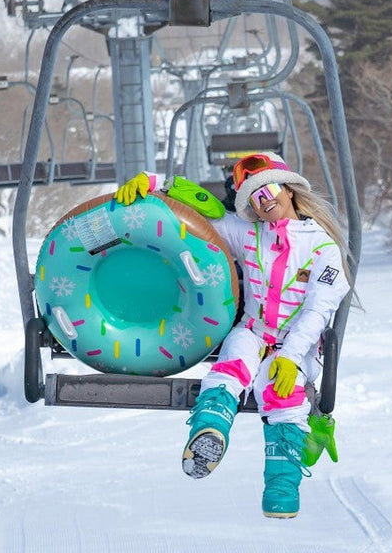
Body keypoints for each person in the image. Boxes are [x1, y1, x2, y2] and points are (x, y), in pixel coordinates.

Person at [115, 152, 351, 518]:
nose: (263, 201)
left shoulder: (322, 247)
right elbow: (204, 212)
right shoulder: (249, 233)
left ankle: (282, 486)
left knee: (280, 392)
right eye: (253, 198)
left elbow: (319, 310)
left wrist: (290, 357)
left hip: (295, 342)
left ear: (288, 189)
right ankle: (210, 431)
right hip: (254, 330)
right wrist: (154, 181)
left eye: (268, 189)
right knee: (231, 365)